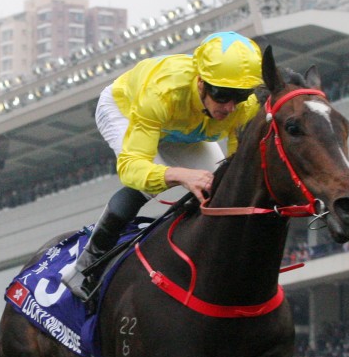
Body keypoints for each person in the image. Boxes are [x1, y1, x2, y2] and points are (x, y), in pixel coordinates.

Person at [62, 31, 264, 301]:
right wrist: (180, 175)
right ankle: (83, 268)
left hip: (183, 130)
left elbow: (239, 172)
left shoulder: (246, 107)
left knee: (220, 188)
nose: (229, 107)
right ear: (201, 82)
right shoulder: (162, 93)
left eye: (239, 96)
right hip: (125, 109)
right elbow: (132, 168)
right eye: (222, 95)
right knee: (145, 186)